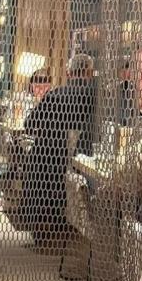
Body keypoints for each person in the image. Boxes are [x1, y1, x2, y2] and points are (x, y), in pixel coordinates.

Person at [20, 53, 97, 245]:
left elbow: (28, 125)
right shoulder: (97, 97)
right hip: (81, 160)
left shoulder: (55, 95)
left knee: (32, 158)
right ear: (89, 73)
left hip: (47, 160)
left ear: (68, 73)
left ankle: (40, 227)